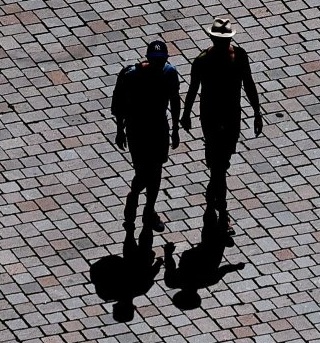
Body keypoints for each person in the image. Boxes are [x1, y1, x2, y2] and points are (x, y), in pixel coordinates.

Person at [179, 17, 262, 232]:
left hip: (232, 117)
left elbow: (249, 84)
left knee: (221, 166)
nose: (223, 43)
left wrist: (256, 111)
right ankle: (222, 213)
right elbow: (193, 89)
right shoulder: (202, 61)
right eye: (219, 39)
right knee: (219, 167)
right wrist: (186, 113)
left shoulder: (240, 57)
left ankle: (211, 201)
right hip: (211, 118)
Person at [111, 39, 181, 232]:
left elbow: (175, 101)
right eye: (154, 60)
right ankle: (134, 196)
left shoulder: (169, 74)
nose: (158, 64)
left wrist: (175, 129)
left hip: (158, 128)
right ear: (148, 59)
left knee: (156, 170)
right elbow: (119, 105)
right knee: (143, 171)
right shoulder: (130, 75)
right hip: (137, 130)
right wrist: (119, 130)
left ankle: (148, 209)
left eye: (161, 60)